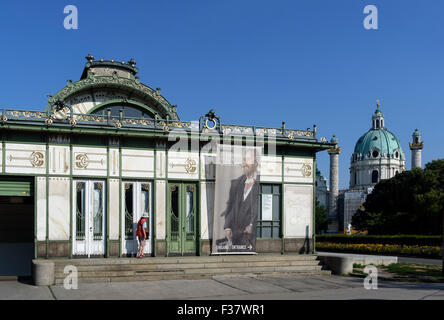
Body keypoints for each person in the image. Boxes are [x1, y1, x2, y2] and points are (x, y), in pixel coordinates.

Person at [220, 149, 260, 252]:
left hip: (251, 236)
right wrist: (227, 227)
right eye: (243, 160)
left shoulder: (261, 182)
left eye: (247, 160)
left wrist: (251, 224)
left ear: (256, 163)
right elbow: (230, 205)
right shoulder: (236, 183)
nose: (243, 163)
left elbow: (259, 206)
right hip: (234, 235)